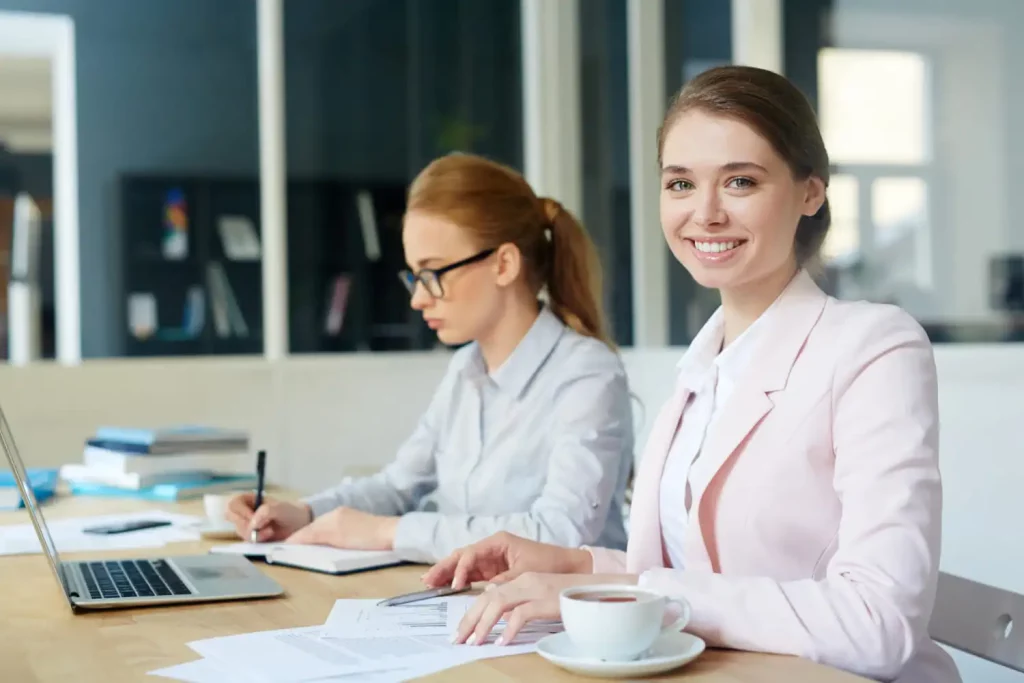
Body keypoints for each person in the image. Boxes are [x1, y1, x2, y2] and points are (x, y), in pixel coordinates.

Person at [422, 66, 961, 683]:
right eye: (680, 183)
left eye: (740, 181)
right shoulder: (703, 367)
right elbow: (695, 567)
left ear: (810, 192)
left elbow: (878, 622)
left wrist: (645, 591)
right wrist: (572, 564)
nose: (704, 214)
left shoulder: (874, 347)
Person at [226, 152, 635, 564]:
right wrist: (305, 513)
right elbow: (399, 485)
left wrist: (388, 533)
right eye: (413, 277)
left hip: (558, 620)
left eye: (433, 274)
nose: (419, 299)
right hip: (466, 606)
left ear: (504, 264)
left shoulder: (587, 375)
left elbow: (558, 534)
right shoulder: (465, 368)